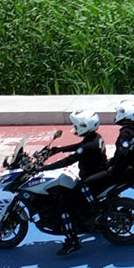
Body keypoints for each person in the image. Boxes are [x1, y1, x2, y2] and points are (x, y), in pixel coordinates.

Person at [38, 107, 111, 254]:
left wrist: (43, 168)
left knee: (63, 207)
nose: (74, 128)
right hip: (97, 175)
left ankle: (72, 241)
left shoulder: (88, 145)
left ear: (85, 126)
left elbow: (68, 161)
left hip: (91, 181)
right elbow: (78, 147)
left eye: (77, 125)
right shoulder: (95, 138)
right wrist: (57, 149)